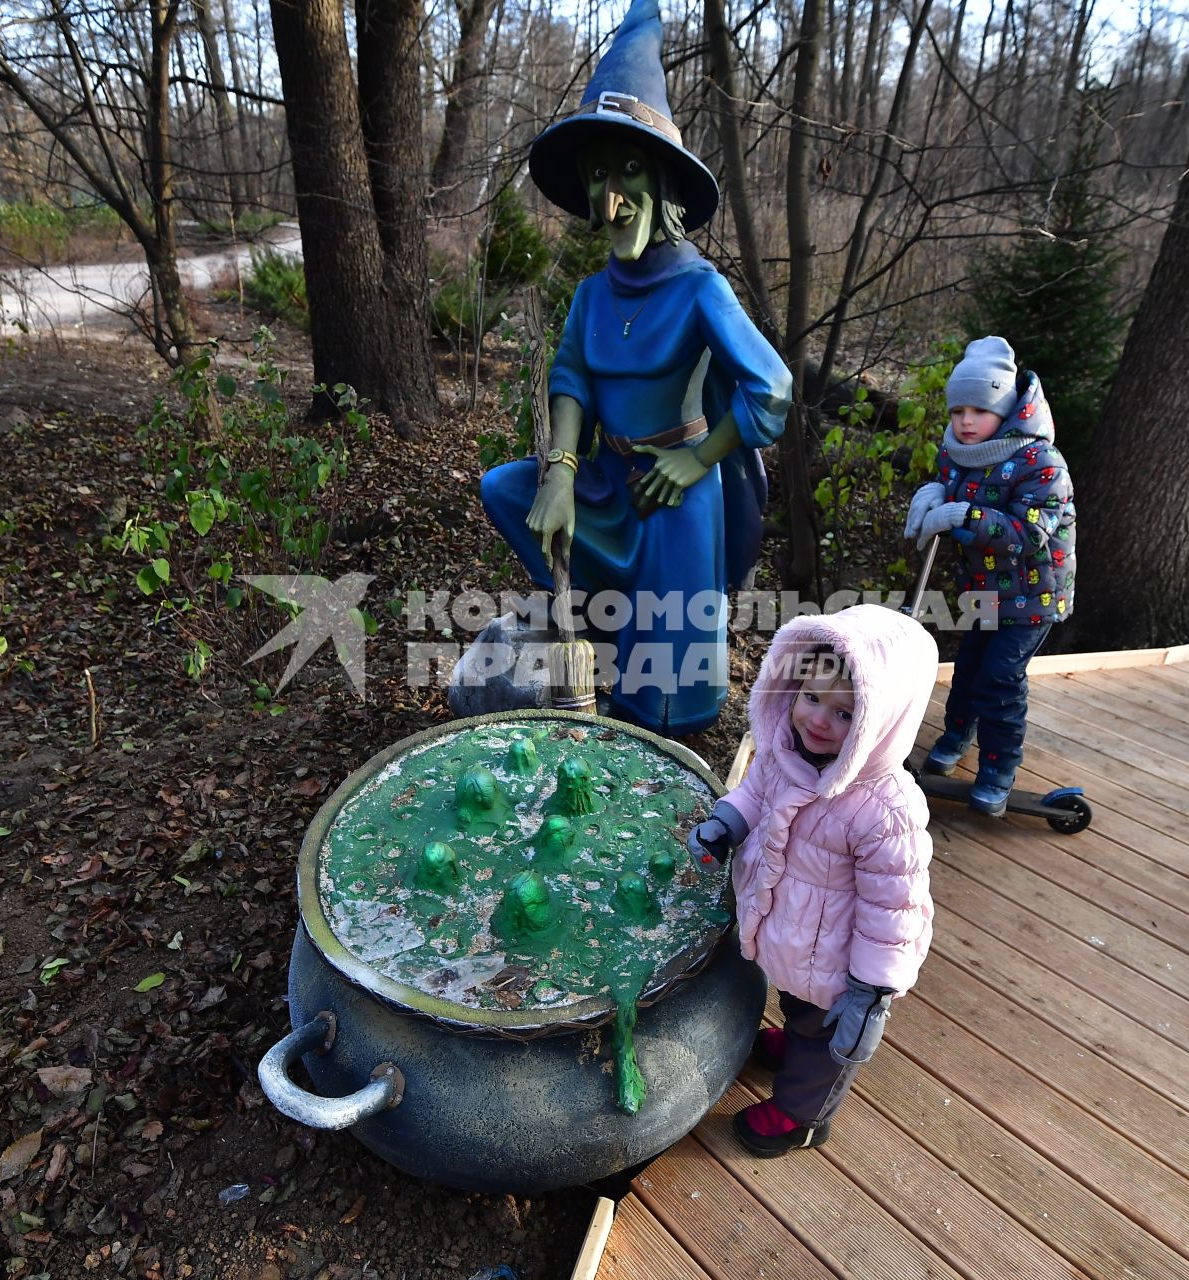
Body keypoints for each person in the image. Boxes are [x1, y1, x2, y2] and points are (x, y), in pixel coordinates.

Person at [479, 0, 791, 736]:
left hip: (673, 496)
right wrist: (559, 470)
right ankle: (594, 633)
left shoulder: (699, 288)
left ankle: (660, 747)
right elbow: (572, 378)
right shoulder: (592, 295)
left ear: (663, 184)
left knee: (666, 700)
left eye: (627, 173)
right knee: (505, 488)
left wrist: (696, 459)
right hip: (605, 483)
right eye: (596, 176)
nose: (611, 199)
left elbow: (771, 387)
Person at [686, 605, 939, 1156]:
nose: (819, 720)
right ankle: (798, 1039)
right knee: (802, 1015)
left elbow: (892, 912)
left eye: (847, 714)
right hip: (792, 938)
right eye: (812, 697)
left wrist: (871, 994)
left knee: (829, 1045)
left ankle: (804, 1116)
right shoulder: (785, 749)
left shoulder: (884, 811)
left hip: (841, 970)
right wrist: (726, 822)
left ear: (884, 721)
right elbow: (754, 793)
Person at [901, 336, 1076, 816]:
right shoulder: (957, 449)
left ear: (1005, 407)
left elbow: (1028, 535)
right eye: (958, 410)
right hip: (985, 589)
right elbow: (949, 483)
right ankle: (956, 736)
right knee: (968, 670)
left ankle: (998, 769)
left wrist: (962, 515)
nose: (966, 421)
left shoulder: (1041, 462)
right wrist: (932, 493)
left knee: (999, 679)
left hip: (1033, 594)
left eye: (979, 409)